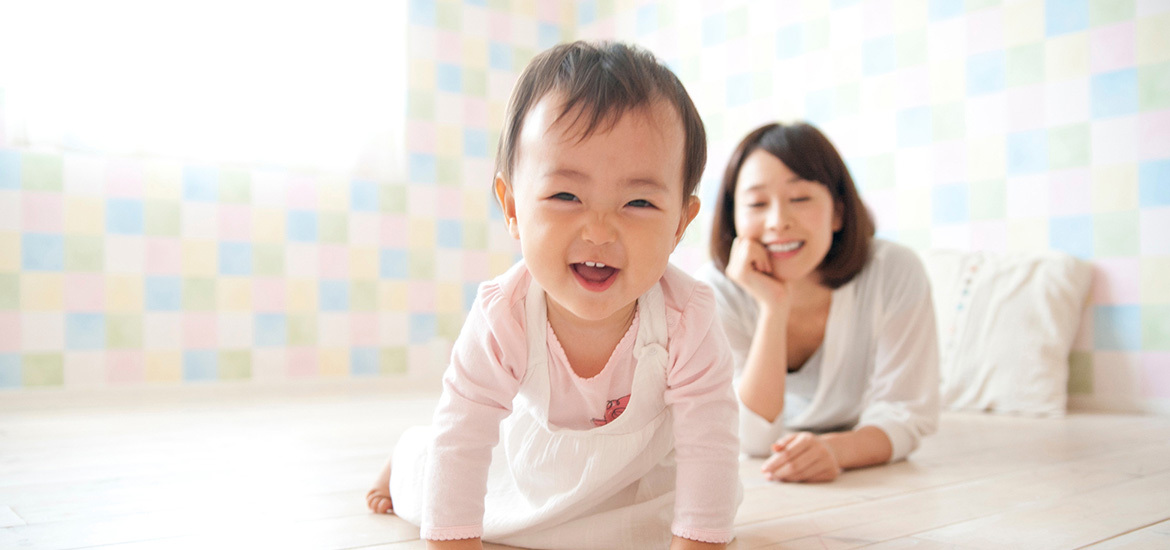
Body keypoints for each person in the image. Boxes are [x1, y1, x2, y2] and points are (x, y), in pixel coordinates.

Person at [366, 41, 741, 549]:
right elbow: (464, 433)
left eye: (638, 202)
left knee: (654, 526)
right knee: (439, 482)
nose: (600, 229)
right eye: (566, 195)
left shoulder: (687, 316)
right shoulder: (505, 314)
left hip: (635, 477)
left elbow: (710, 442)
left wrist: (699, 539)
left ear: (680, 223)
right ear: (514, 206)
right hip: (529, 467)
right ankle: (409, 456)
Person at [697, 122, 939, 483]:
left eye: (800, 199)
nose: (778, 222)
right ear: (733, 217)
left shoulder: (895, 271)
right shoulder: (715, 291)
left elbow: (906, 412)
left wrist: (836, 451)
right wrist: (773, 308)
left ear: (839, 212)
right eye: (757, 203)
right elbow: (752, 438)